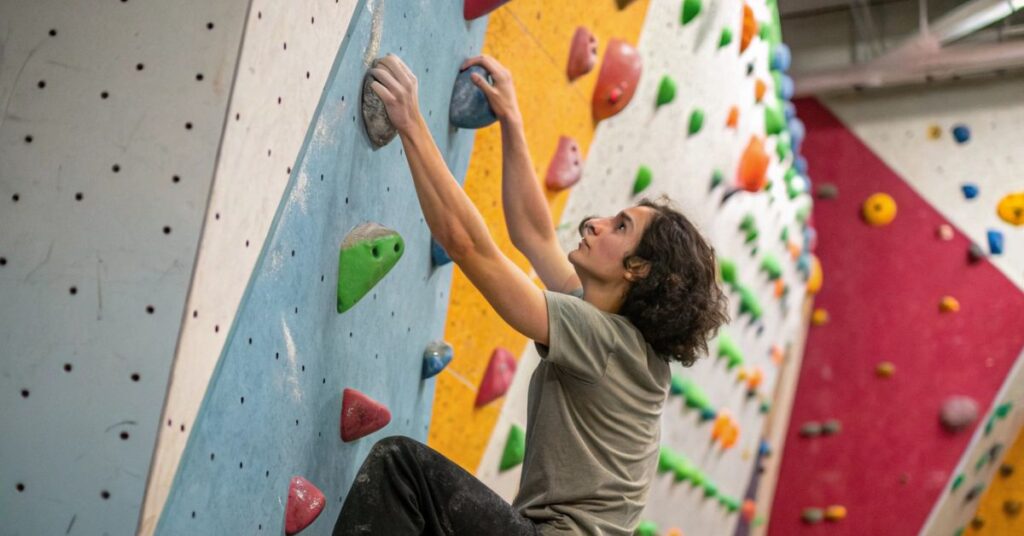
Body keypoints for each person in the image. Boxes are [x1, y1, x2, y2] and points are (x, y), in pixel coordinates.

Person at [333, 53, 729, 536]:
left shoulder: (605, 340)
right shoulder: (618, 338)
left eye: (620, 227)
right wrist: (512, 122)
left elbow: (468, 246)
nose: (595, 223)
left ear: (637, 270)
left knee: (402, 468)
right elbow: (535, 236)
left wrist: (412, 122)